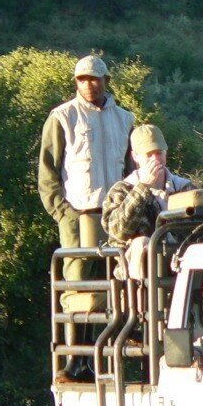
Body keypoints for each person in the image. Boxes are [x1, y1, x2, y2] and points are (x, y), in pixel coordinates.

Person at [38, 54, 134, 293]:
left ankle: (113, 332)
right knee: (78, 289)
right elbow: (47, 170)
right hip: (77, 215)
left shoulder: (125, 119)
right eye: (82, 79)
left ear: (106, 80)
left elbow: (132, 171)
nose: (88, 85)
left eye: (94, 79)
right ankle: (75, 332)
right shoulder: (62, 116)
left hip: (115, 218)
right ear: (75, 82)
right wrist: (63, 212)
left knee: (115, 287)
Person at [101, 124, 193, 280]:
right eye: (149, 154)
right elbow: (118, 231)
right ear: (135, 156)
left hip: (179, 258)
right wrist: (143, 188)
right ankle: (142, 303)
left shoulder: (184, 188)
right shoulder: (121, 190)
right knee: (142, 244)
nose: (156, 159)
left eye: (159, 153)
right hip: (137, 270)